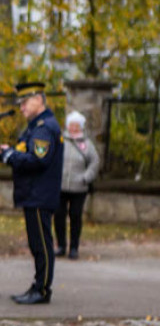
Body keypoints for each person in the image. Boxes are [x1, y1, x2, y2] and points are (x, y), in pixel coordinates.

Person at [0, 81, 64, 305]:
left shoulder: (44, 127)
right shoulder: (37, 126)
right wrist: (11, 152)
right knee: (38, 244)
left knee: (41, 245)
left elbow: (38, 159)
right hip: (35, 193)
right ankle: (38, 286)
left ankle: (42, 290)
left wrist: (11, 157)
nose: (22, 107)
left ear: (39, 100)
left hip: (39, 194)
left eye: (25, 102)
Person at [56, 111, 99, 260]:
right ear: (67, 126)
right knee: (59, 216)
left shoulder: (86, 144)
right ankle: (61, 245)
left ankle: (74, 248)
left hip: (79, 188)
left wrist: (86, 177)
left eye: (76, 125)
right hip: (60, 186)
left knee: (75, 216)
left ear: (80, 126)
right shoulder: (60, 140)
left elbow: (94, 162)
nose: (73, 128)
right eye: (71, 125)